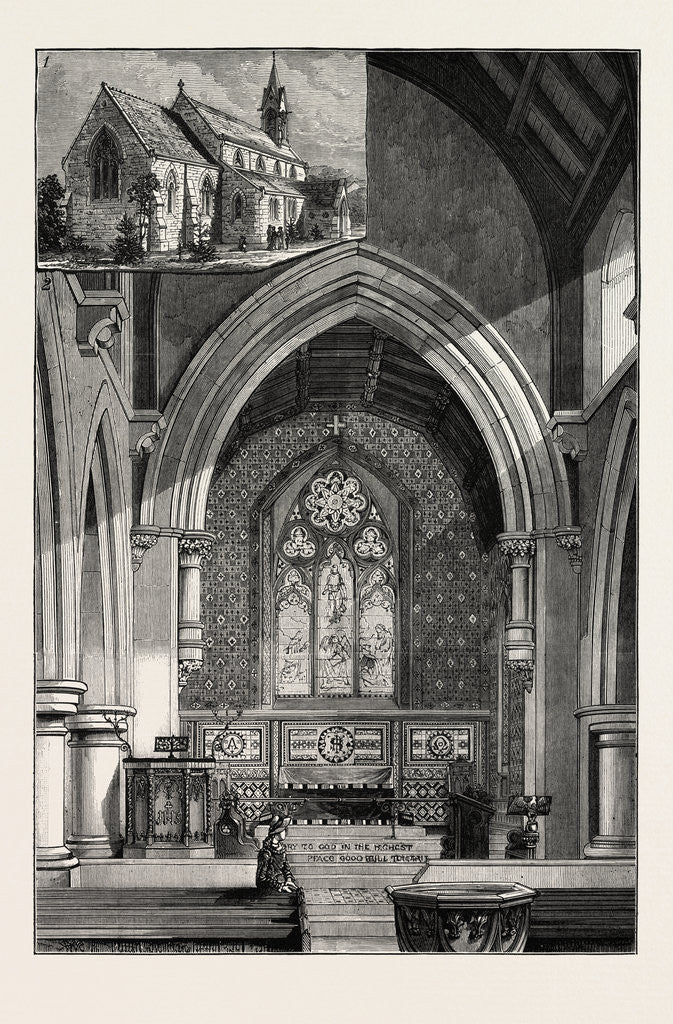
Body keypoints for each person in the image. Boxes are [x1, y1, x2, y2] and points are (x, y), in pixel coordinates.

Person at [255, 816, 297, 895]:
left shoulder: (281, 849)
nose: (285, 832)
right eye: (282, 830)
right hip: (268, 889)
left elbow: (286, 867)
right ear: (275, 834)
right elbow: (261, 879)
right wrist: (280, 886)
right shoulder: (266, 853)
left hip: (280, 883)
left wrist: (288, 879)